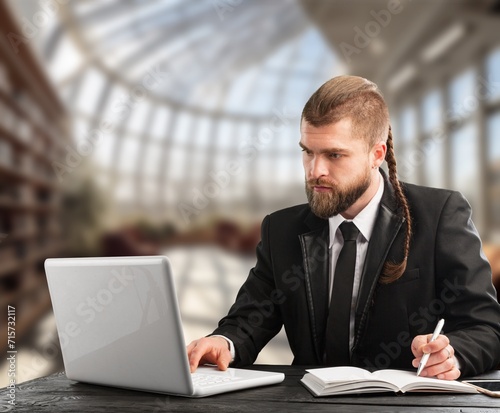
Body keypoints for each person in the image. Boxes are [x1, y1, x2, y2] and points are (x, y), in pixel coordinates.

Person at [187, 75, 500, 380]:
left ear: (376, 155)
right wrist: (224, 342)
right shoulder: (280, 230)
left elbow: (486, 328)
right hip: (309, 405)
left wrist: (453, 353)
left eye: (334, 155)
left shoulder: (440, 216)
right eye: (307, 152)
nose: (315, 170)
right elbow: (250, 319)